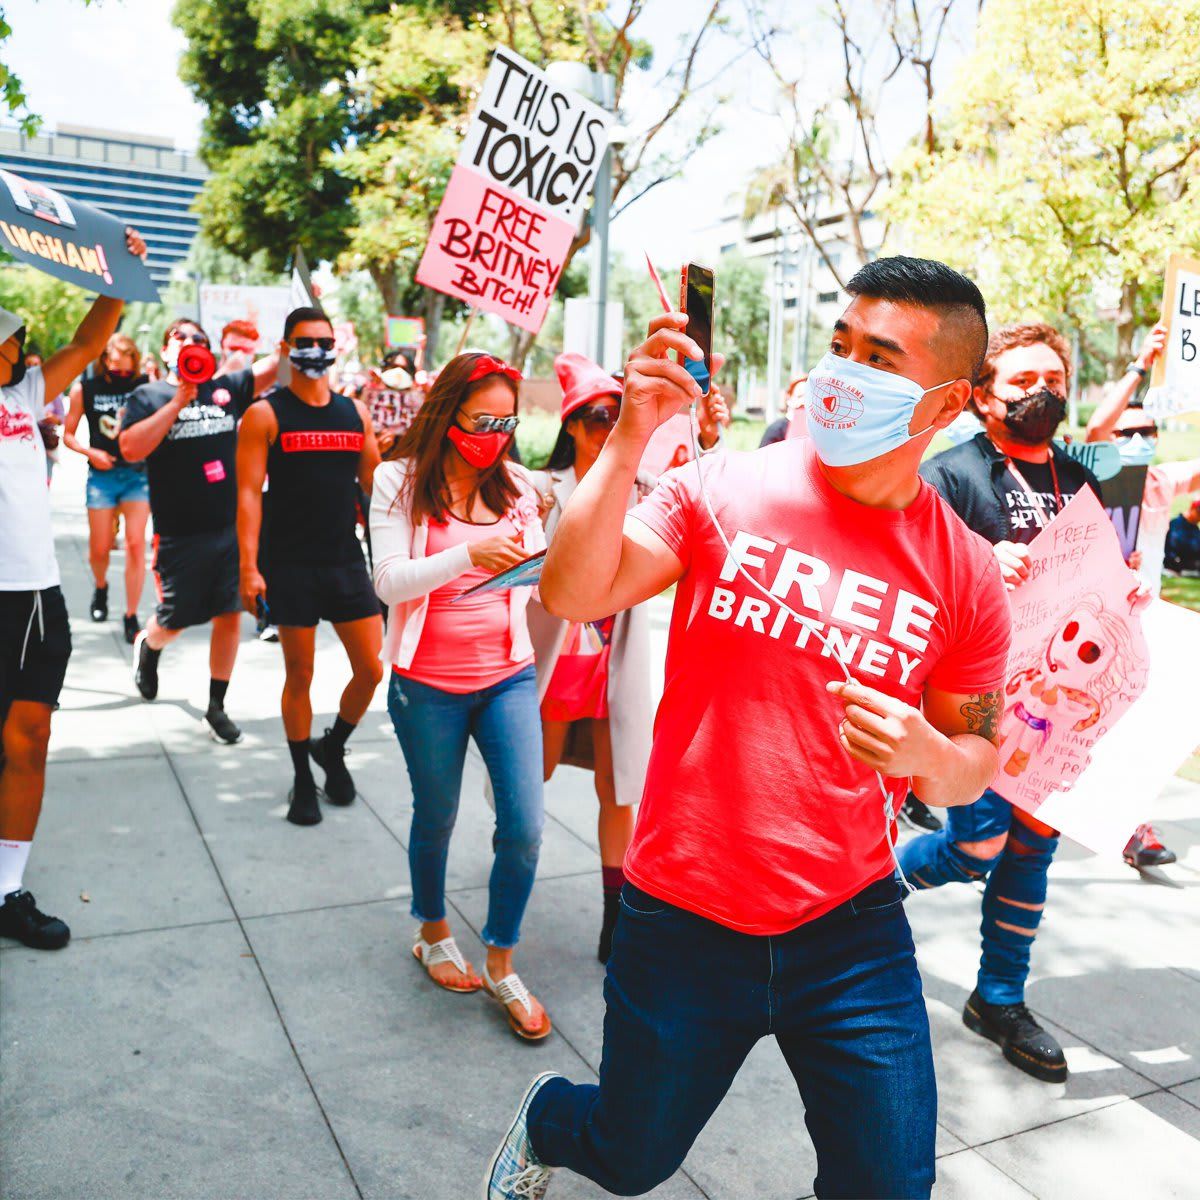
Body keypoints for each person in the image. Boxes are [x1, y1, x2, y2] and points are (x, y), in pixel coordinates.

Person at [485, 257, 1011, 1199]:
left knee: (889, 1186)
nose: (844, 373)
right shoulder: (721, 489)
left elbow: (969, 767)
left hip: (849, 928)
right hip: (682, 918)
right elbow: (572, 591)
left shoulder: (966, 571)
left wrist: (932, 754)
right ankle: (548, 1120)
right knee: (630, 1156)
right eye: (841, 345)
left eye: (880, 358)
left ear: (950, 402)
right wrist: (628, 439)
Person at [900, 321, 1106, 1084]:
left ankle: (999, 999)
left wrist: (1127, 588)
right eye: (1021, 381)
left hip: (1057, 705)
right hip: (974, 697)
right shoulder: (951, 473)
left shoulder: (1077, 476)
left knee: (1033, 847)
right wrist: (982, 559)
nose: (1040, 392)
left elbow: (1099, 576)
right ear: (983, 396)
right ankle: (870, 885)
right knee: (976, 846)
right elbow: (911, 567)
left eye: (1052, 377)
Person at [371, 352, 550, 1042]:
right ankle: (433, 932)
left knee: (526, 829)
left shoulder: (516, 482)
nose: (496, 435)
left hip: (508, 673)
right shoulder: (398, 479)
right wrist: (468, 557)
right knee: (437, 814)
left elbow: (533, 578)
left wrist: (543, 546)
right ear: (449, 413)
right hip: (427, 684)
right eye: (483, 421)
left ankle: (502, 960)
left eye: (507, 422)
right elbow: (389, 583)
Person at [529, 353, 728, 964]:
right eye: (593, 417)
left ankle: (615, 918)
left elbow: (707, 495)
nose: (606, 427)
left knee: (620, 791)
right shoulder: (538, 490)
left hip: (616, 664)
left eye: (616, 416)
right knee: (528, 782)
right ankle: (512, 876)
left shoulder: (644, 488)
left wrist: (710, 434)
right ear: (569, 425)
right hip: (556, 662)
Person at [0, 225, 148, 950]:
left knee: (29, 738)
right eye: (9, 338)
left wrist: (118, 270)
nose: (19, 347)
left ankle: (6, 890)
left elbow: (90, 340)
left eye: (17, 337)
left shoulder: (28, 393)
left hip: (33, 596)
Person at [236, 307, 384, 826]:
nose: (316, 351)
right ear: (284, 348)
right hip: (290, 564)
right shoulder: (265, 414)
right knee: (299, 673)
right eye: (305, 341)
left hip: (344, 561)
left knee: (371, 669)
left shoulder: (354, 414)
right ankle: (302, 775)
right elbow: (248, 496)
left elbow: (378, 486)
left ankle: (333, 746)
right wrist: (249, 568)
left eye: (325, 341)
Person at [119, 319, 278, 744]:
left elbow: (279, 365)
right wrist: (177, 402)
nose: (191, 344)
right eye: (181, 337)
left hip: (230, 528)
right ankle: (149, 646)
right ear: (167, 349)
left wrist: (304, 304)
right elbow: (131, 448)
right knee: (175, 619)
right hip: (179, 533)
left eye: (200, 340)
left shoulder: (226, 388)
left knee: (230, 615)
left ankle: (216, 706)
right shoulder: (147, 395)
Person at [1082, 324, 1194, 868]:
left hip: (1140, 627)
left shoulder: (1162, 482)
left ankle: (1133, 828)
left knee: (1136, 727)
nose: (1134, 441)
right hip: (1085, 624)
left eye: (1146, 430)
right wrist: (1140, 364)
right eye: (1127, 433)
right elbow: (1100, 425)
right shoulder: (1093, 475)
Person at [62, 332, 149, 643]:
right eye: (116, 370)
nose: (122, 375)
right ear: (104, 363)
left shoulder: (143, 386)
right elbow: (68, 435)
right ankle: (101, 587)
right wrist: (91, 453)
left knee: (137, 545)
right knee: (99, 547)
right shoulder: (85, 389)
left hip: (138, 475)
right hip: (102, 476)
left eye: (127, 370)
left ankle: (131, 614)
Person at [758, 373, 807, 447]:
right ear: (789, 399)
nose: (804, 402)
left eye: (808, 398)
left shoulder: (815, 430)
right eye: (800, 397)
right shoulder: (776, 429)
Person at [1165, 497, 1200, 574]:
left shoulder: (1196, 530)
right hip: (1175, 565)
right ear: (1192, 508)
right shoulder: (1175, 525)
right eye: (1198, 512)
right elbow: (1170, 553)